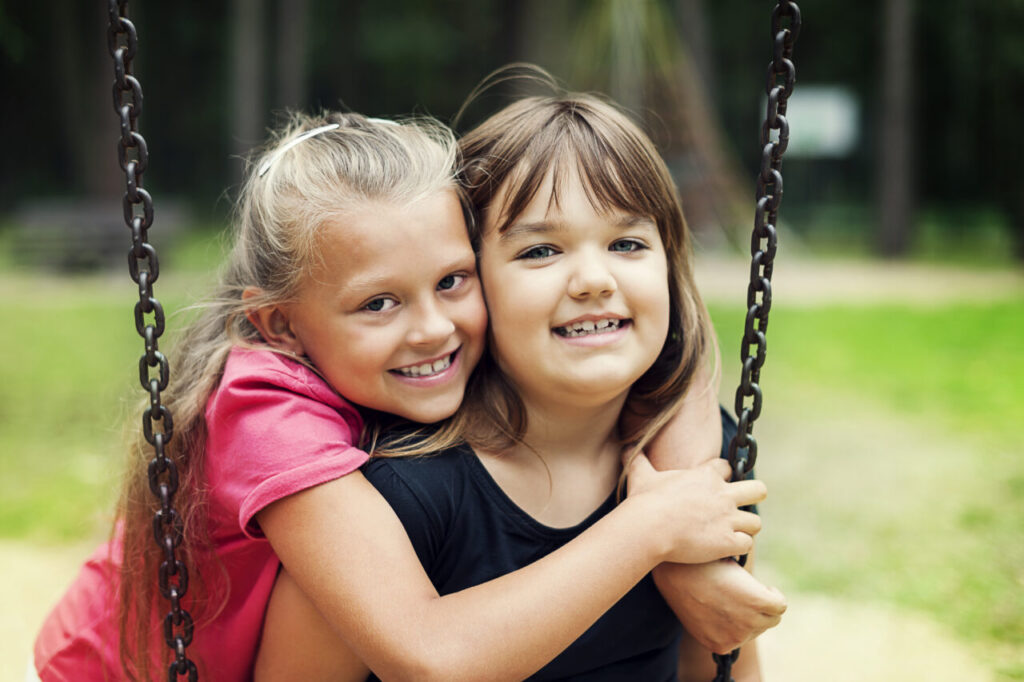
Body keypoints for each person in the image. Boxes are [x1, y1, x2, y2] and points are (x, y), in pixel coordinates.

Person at [32, 111, 770, 682]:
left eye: (452, 281)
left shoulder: (650, 419)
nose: (433, 329)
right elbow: (430, 654)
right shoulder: (281, 425)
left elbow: (667, 362)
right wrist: (651, 531)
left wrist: (687, 548)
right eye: (378, 304)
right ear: (280, 325)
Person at [254, 87, 783, 681]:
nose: (592, 279)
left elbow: (724, 666)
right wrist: (647, 532)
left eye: (627, 243)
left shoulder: (699, 468)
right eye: (540, 251)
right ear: (472, 279)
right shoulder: (398, 498)